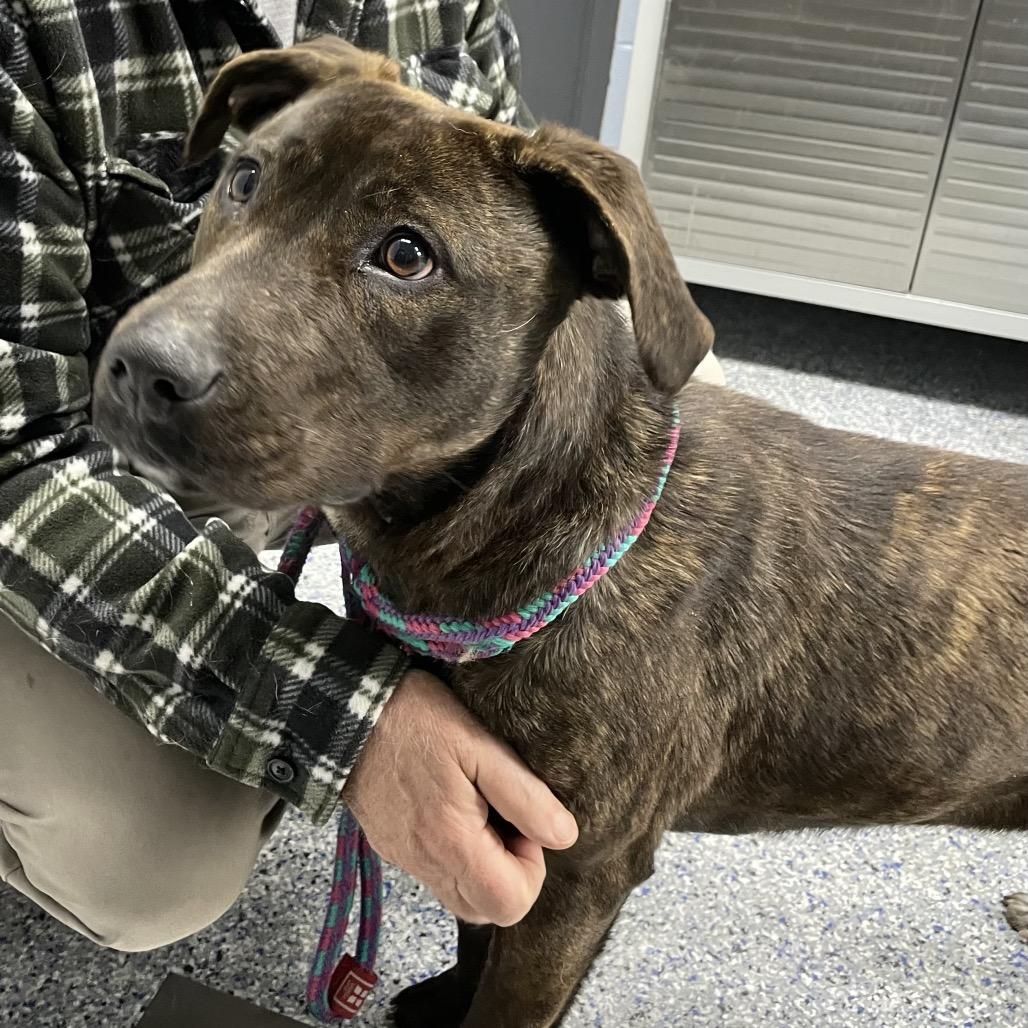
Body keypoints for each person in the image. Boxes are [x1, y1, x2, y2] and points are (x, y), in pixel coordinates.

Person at [0, 0, 580, 953]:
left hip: (222, 430)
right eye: (244, 179)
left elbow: (508, 256)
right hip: (45, 455)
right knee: (155, 858)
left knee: (661, 409)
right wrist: (350, 721)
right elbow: (15, 442)